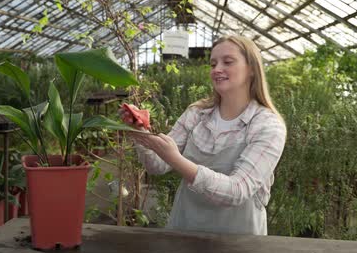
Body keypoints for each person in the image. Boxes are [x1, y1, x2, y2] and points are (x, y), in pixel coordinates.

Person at [121, 35, 286, 235]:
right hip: (185, 230)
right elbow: (157, 165)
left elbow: (237, 190)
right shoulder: (197, 114)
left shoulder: (267, 125)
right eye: (213, 63)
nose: (216, 69)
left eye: (228, 61)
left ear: (252, 68)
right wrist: (139, 131)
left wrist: (175, 158)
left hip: (239, 243)